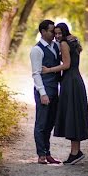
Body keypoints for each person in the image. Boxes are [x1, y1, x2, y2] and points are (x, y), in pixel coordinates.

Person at [44, 22, 88, 164]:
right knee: (74, 114)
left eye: (59, 33)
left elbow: (66, 65)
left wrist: (48, 70)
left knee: (72, 115)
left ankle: (75, 153)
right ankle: (76, 152)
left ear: (64, 32)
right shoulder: (74, 39)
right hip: (76, 79)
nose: (57, 36)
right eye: (55, 33)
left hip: (70, 80)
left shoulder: (64, 43)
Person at [30, 19, 62, 164]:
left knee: (50, 123)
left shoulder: (55, 46)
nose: (54, 34)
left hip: (55, 90)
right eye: (51, 31)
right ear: (43, 32)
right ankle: (41, 154)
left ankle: (47, 152)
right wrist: (42, 94)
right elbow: (36, 73)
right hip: (44, 91)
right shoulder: (36, 50)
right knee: (41, 123)